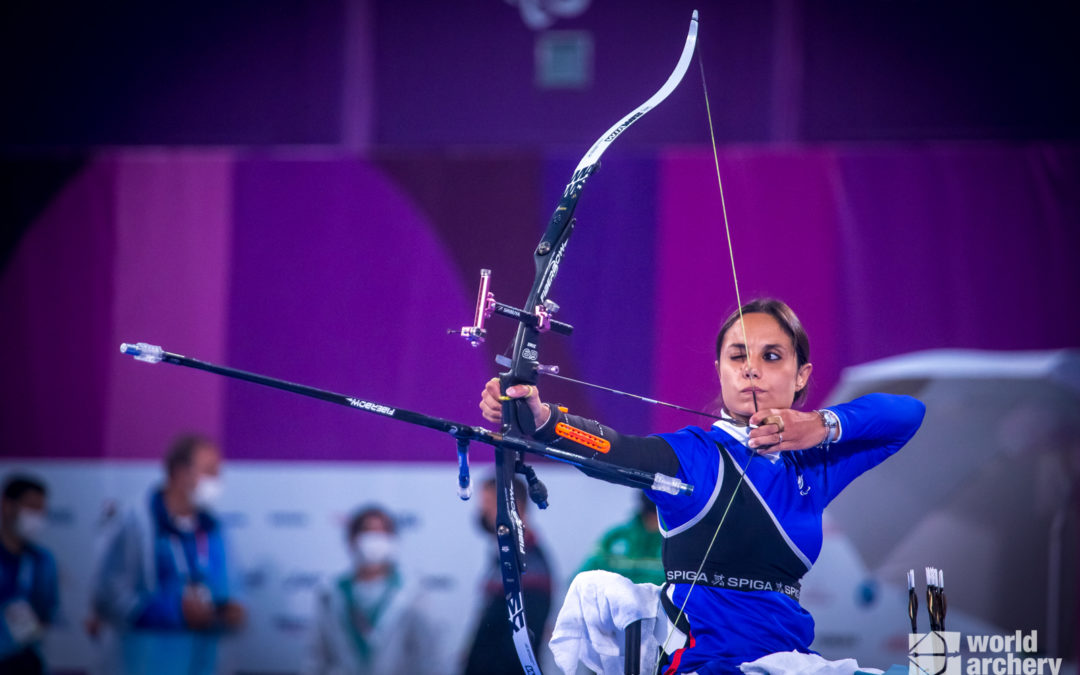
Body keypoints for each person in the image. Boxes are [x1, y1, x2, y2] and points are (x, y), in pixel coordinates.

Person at [480, 298, 926, 674]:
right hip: (705, 664)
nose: (752, 369)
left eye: (772, 356)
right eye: (738, 356)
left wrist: (823, 424)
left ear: (802, 375)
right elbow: (613, 450)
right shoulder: (695, 456)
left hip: (789, 660)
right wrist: (541, 420)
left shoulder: (814, 465)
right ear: (720, 371)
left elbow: (908, 415)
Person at [90, 433, 245, 675]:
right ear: (181, 473)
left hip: (202, 660)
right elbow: (109, 595)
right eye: (209, 471)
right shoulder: (135, 520)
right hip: (143, 661)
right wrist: (173, 611)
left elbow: (225, 590)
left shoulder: (213, 528)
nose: (217, 480)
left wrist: (227, 609)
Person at [306, 504, 446, 675]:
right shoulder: (329, 594)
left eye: (383, 532)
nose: (376, 539)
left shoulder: (413, 593)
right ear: (352, 539)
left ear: (393, 540)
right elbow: (316, 658)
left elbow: (429, 659)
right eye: (368, 531)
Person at [461, 476, 553, 675]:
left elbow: (520, 648)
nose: (482, 513)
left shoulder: (528, 565)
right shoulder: (504, 556)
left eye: (488, 505)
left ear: (512, 507)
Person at [0, 475, 58, 675]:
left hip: (27, 661)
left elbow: (46, 613)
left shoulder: (43, 561)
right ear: (7, 506)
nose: (36, 517)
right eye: (31, 507)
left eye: (41, 510)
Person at [579, 490, 665, 586]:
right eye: (650, 515)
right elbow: (582, 578)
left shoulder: (673, 542)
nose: (652, 521)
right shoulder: (615, 537)